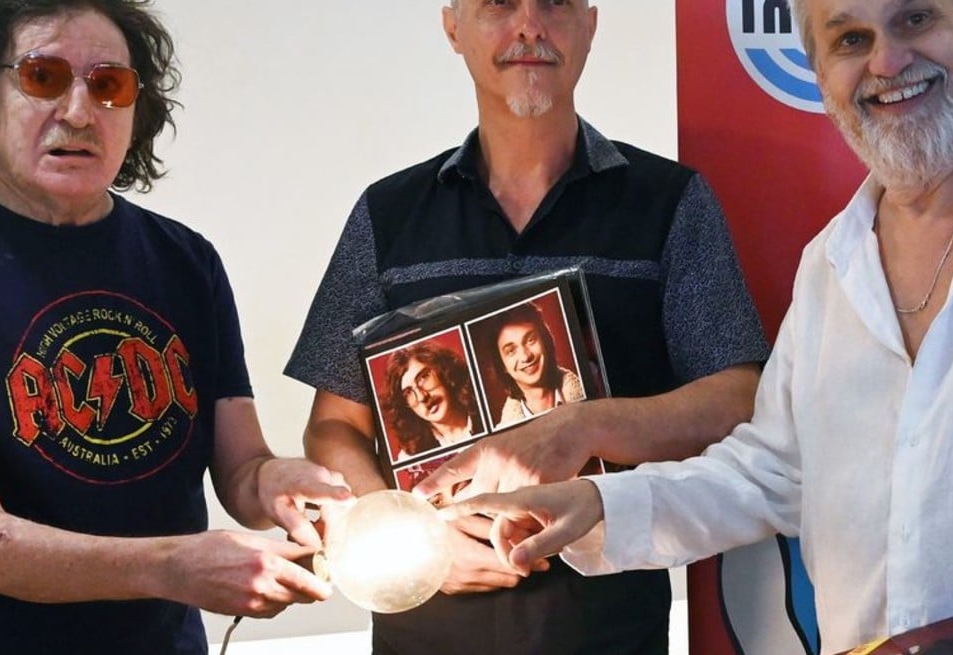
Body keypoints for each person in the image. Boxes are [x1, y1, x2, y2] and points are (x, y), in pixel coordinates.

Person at [447, 0, 953, 654]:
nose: (887, 61)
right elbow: (771, 470)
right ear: (821, 76)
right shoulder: (829, 266)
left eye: (914, 19)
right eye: (851, 40)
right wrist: (598, 501)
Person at [0, 1, 353, 652]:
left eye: (108, 85)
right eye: (42, 77)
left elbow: (241, 469)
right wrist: (173, 566)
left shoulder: (186, 261)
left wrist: (279, 484)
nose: (78, 111)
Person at [284, 0, 768, 652]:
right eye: (499, 3)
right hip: (423, 633)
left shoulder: (671, 201)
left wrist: (583, 426)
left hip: (610, 632)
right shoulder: (387, 214)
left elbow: (738, 398)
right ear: (453, 27)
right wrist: (403, 530)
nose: (530, 24)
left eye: (556, 2)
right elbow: (332, 425)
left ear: (590, 25)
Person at [483, 300, 585, 429]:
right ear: (502, 365)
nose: (525, 357)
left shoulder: (589, 390)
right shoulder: (505, 433)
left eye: (531, 340)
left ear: (545, 341)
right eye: (511, 351)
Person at [382, 341, 482, 458]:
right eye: (408, 393)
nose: (422, 397)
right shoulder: (410, 458)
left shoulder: (490, 409)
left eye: (424, 377)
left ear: (443, 370)